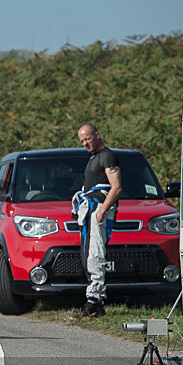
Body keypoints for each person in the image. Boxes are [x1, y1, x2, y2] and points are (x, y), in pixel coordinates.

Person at [74, 124, 122, 317]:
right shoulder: (93, 158)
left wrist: (102, 210)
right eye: (82, 141)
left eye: (87, 139)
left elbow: (116, 187)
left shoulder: (107, 156)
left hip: (98, 209)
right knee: (88, 254)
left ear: (97, 135)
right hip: (90, 209)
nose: (85, 144)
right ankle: (96, 301)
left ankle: (94, 299)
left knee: (95, 254)